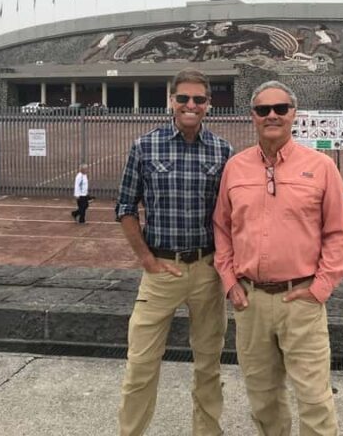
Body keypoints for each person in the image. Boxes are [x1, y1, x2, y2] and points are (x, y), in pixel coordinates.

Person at [213, 80, 343, 436]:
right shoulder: (235, 167)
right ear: (252, 116)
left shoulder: (321, 167)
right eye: (263, 109)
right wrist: (229, 282)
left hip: (301, 300)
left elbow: (337, 233)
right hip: (251, 302)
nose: (271, 115)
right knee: (263, 400)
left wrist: (320, 288)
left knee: (315, 400)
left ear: (294, 114)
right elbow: (222, 228)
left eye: (280, 108)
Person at [115, 68, 234, 436]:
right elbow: (125, 208)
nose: (190, 105)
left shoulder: (222, 151)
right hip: (161, 269)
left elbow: (230, 215)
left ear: (209, 104)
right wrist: (146, 259)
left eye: (199, 99)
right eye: (183, 98)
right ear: (171, 101)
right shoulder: (145, 146)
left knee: (209, 364)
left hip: (206, 270)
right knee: (141, 364)